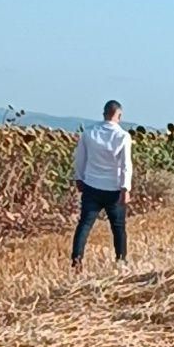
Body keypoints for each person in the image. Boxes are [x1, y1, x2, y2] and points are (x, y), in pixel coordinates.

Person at [71, 100, 132, 271]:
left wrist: (79, 178)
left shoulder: (89, 133)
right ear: (118, 115)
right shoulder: (122, 136)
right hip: (114, 189)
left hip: (92, 186)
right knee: (118, 227)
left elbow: (80, 159)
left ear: (104, 113)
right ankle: (121, 261)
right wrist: (125, 188)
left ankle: (77, 261)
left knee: (84, 225)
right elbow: (126, 164)